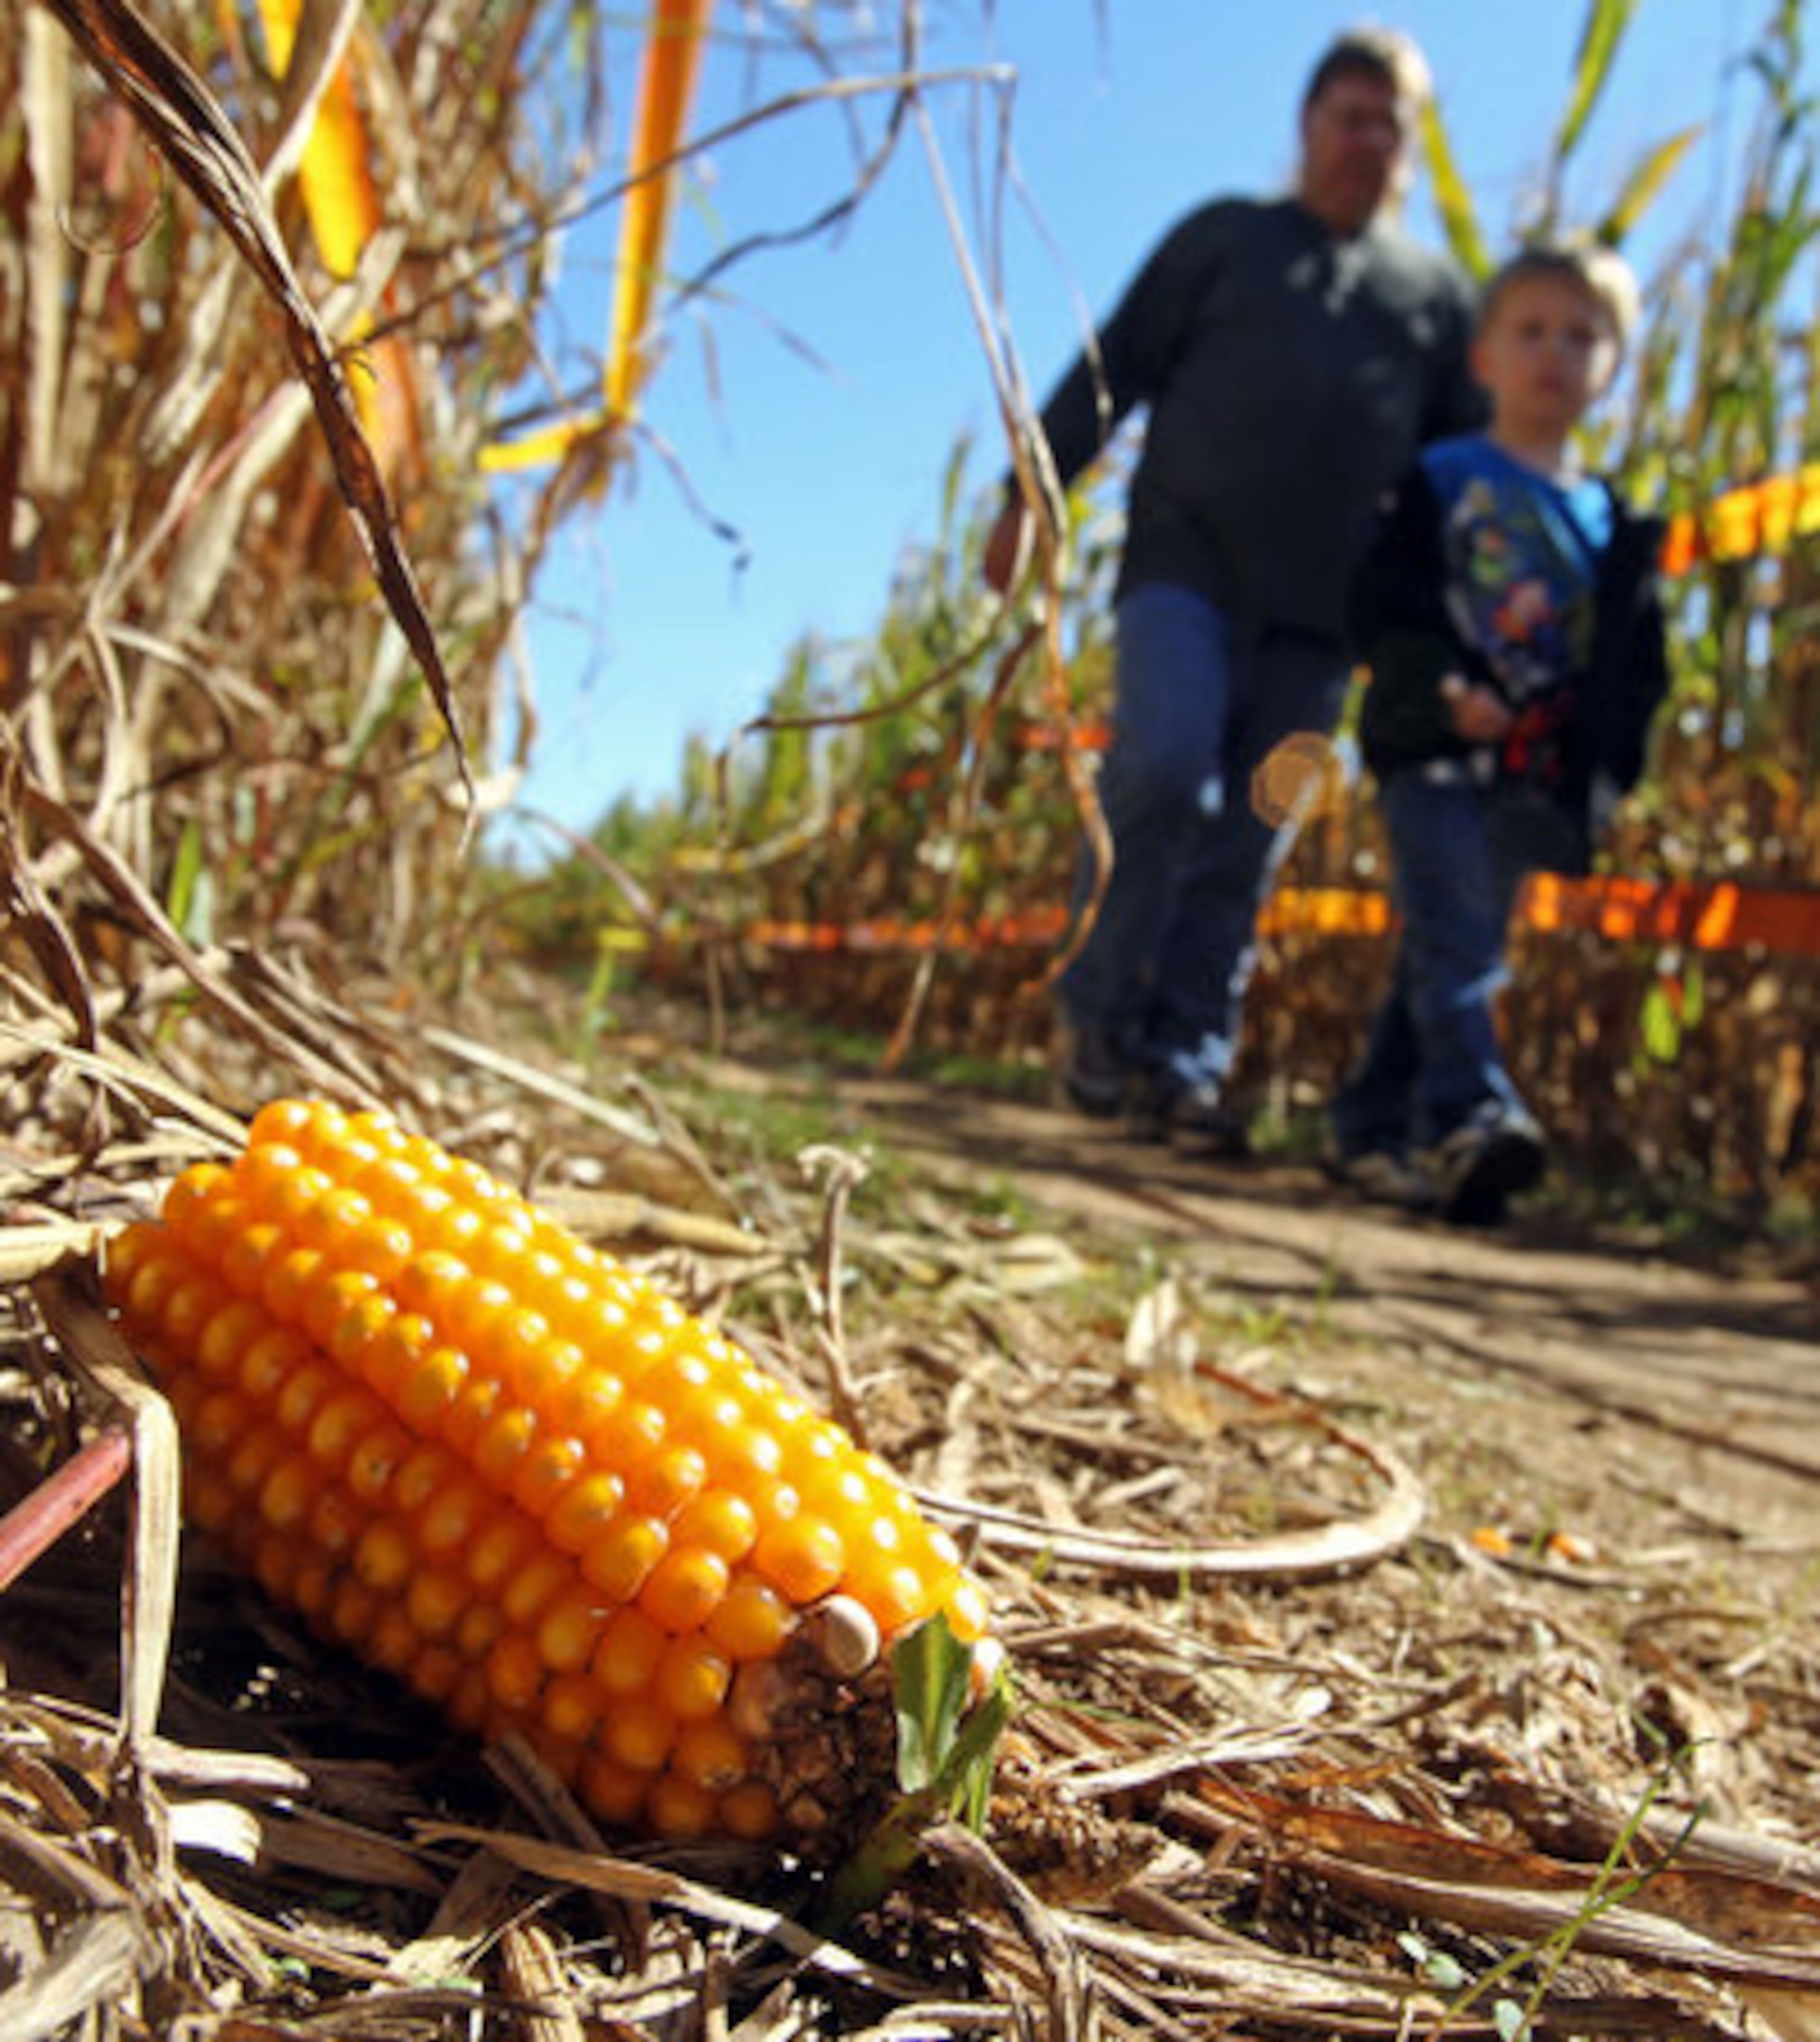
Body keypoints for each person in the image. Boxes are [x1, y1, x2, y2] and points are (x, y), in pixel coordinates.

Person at [983, 27, 1484, 1152]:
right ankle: (1099, 1022)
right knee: (1160, 761)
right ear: (1307, 125)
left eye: (1390, 125)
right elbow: (1112, 370)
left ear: (1411, 149)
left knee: (1254, 831)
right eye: (1350, 114)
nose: (1369, 140)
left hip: (1326, 629)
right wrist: (1029, 493)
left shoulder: (1434, 301)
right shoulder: (1225, 239)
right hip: (1184, 570)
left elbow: (1456, 478)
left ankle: (1184, 1062)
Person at [1328, 243, 1670, 1224]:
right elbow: (1380, 601)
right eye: (1532, 331)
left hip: (1530, 776)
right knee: (1459, 934)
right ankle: (1473, 1118)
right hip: (1432, 750)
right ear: (1485, 358)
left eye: (1582, 335)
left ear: (1611, 364)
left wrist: (1596, 771)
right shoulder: (1439, 479)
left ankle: (1366, 1122)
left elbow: (1629, 669)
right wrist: (1440, 683)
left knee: (1447, 943)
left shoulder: (1612, 520)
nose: (1555, 353)